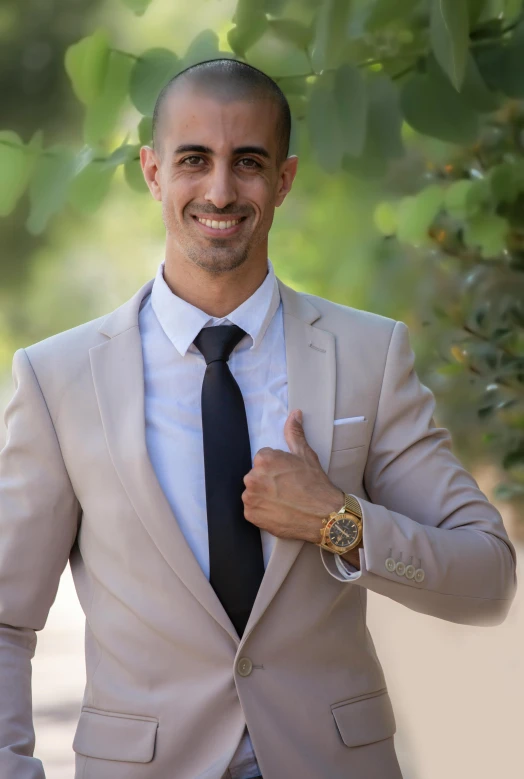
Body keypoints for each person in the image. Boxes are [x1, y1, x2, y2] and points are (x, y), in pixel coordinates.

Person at [0, 58, 517, 779]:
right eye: (193, 160)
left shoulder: (368, 355)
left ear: (284, 178)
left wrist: (339, 519)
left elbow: (487, 577)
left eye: (247, 162)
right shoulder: (58, 379)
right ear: (153, 172)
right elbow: (5, 617)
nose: (219, 189)